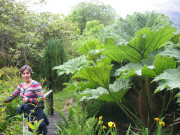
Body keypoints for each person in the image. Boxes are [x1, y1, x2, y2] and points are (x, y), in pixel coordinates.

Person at [2, 65, 49, 134]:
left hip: (35, 110)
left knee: (38, 129)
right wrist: (2, 102)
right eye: (23, 74)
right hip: (27, 111)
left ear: (31, 74)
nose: (25, 75)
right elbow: (13, 96)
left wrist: (28, 100)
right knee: (29, 129)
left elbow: (42, 99)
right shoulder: (21, 85)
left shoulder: (35, 84)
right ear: (21, 75)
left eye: (27, 73)